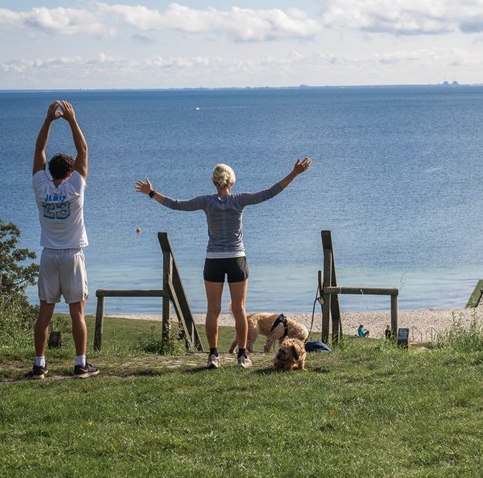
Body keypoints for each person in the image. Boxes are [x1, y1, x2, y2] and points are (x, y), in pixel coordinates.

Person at [135, 158, 311, 369]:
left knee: (213, 310)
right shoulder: (239, 200)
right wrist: (294, 173)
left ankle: (213, 356)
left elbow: (176, 204)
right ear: (232, 183)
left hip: (213, 261)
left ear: (214, 183)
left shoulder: (206, 202)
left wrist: (151, 193)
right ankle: (243, 356)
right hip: (236, 258)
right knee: (239, 309)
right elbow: (270, 192)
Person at [31, 100, 98, 379]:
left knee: (45, 312)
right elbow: (83, 150)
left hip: (48, 255)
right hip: (72, 254)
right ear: (70, 173)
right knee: (77, 312)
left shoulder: (41, 186)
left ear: (50, 172)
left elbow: (39, 151)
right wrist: (72, 120)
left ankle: (39, 365)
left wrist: (48, 120)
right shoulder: (75, 188)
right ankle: (80, 363)